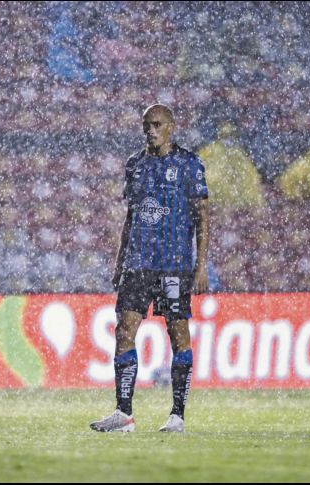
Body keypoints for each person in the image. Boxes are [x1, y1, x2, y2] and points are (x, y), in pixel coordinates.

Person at [90, 104, 209, 433]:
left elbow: (202, 216)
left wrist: (201, 267)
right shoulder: (135, 165)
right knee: (124, 330)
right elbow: (131, 217)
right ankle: (124, 413)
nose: (150, 130)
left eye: (157, 124)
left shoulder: (188, 164)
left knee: (178, 334)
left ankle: (177, 415)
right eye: (146, 125)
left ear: (171, 126)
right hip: (138, 263)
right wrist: (119, 261)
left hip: (174, 264)